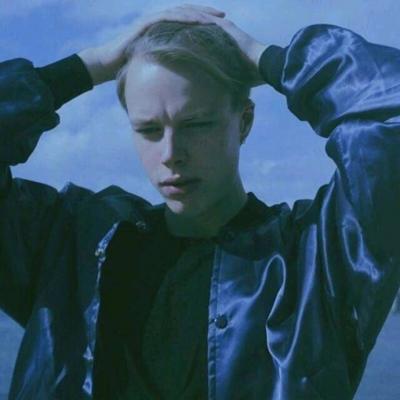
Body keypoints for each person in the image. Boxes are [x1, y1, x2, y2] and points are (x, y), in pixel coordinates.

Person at [0, 3, 399, 399]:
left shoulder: (316, 261)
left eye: (196, 124)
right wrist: (93, 64)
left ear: (244, 122)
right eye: (149, 129)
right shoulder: (72, 249)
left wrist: (267, 59)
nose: (171, 153)